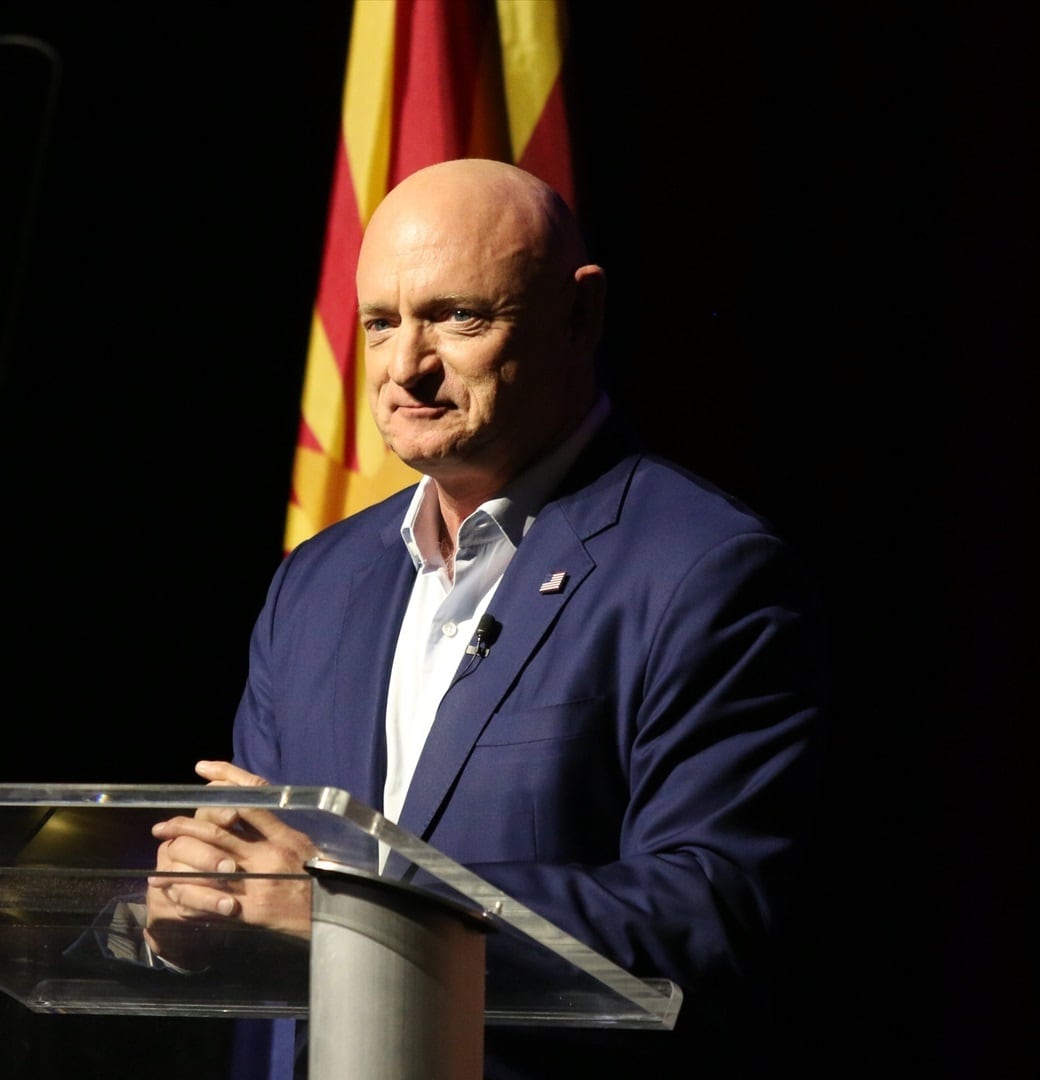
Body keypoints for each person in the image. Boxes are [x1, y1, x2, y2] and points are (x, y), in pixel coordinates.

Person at [145, 158, 831, 1078]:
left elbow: (704, 913)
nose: (406, 367)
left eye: (458, 317)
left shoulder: (705, 571)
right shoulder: (317, 583)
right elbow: (263, 881)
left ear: (579, 314)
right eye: (381, 323)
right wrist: (197, 914)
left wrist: (355, 909)